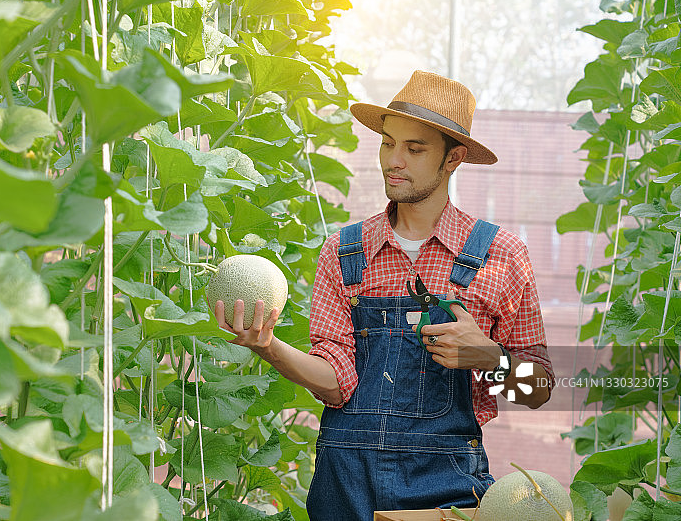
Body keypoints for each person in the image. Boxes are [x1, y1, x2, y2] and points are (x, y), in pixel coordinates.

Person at [213, 70, 555, 520]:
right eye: (387, 142)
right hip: (345, 484)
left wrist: (490, 359)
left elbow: (539, 390)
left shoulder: (502, 255)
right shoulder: (344, 251)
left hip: (445, 486)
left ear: (453, 158)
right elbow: (337, 384)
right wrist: (269, 347)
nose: (394, 160)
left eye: (414, 149)